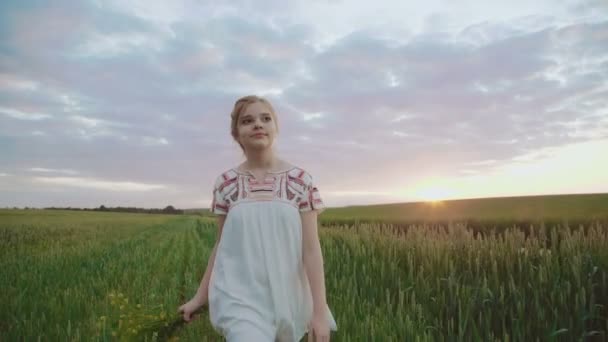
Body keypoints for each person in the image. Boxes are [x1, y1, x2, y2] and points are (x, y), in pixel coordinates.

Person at [178, 95, 338, 341]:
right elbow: (222, 247)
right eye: (247, 120)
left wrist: (319, 312)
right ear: (236, 134)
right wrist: (200, 297)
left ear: (276, 127)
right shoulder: (226, 184)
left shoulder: (300, 180)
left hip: (290, 296)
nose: (258, 125)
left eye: (266, 118)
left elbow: (311, 250)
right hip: (240, 297)